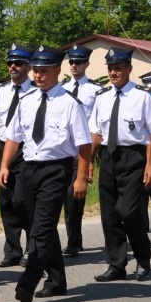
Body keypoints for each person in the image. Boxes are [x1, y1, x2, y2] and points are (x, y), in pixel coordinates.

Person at [0, 45, 92, 302]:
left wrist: (80, 178)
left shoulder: (69, 104)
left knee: (41, 229)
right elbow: (13, 137)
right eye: (36, 71)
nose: (38, 76)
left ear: (57, 71)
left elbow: (84, 145)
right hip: (28, 169)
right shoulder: (26, 101)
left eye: (44, 71)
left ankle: (27, 283)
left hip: (56, 170)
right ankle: (57, 279)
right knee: (29, 218)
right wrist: (4, 166)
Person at [89, 48, 151, 282]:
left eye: (118, 68)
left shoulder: (144, 96)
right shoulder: (102, 96)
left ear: (129, 68)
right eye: (110, 68)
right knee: (109, 214)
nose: (113, 72)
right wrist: (88, 161)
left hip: (134, 157)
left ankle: (142, 257)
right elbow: (96, 133)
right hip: (108, 157)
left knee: (129, 213)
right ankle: (117, 264)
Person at [0, 44, 34, 268]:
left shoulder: (36, 91)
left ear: (28, 66)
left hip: (26, 150)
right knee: (6, 201)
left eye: (17, 63)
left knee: (23, 200)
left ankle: (31, 247)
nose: (12, 67)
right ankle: (12, 250)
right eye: (10, 63)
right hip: (2, 147)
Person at [59, 44, 98, 256]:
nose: (74, 65)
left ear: (87, 64)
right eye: (71, 61)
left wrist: (89, 158)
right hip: (62, 150)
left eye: (78, 62)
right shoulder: (61, 88)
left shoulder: (96, 91)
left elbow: (96, 125)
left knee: (74, 199)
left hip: (81, 151)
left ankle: (74, 242)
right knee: (60, 197)